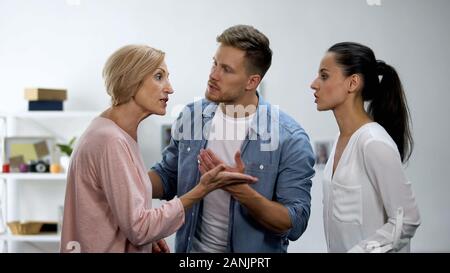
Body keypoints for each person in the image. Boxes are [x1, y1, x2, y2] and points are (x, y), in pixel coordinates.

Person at [60, 45, 257, 253]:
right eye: (159, 76)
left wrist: (146, 240)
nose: (169, 88)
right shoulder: (110, 140)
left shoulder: (115, 132)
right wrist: (203, 188)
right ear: (131, 80)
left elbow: (122, 211)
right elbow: (139, 227)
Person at [149, 25, 315, 253]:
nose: (213, 75)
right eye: (214, 63)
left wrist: (240, 191)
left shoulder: (290, 138)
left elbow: (295, 223)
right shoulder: (192, 117)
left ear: (252, 81)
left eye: (226, 69)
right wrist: (123, 179)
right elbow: (167, 177)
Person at [310, 42, 421, 252]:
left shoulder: (373, 142)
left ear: (353, 83)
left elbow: (407, 219)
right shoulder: (341, 140)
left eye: (324, 76)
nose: (314, 84)